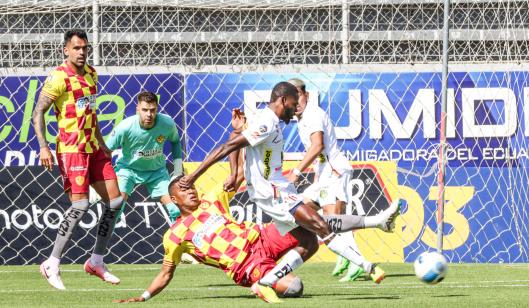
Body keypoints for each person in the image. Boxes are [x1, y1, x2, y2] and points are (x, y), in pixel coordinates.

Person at [178, 82, 399, 295]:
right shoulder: (266, 122)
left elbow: (238, 142)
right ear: (283, 100)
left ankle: (266, 282)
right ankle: (369, 266)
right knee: (320, 225)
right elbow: (228, 147)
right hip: (272, 192)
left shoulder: (268, 122)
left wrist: (237, 146)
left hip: (280, 188)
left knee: (309, 241)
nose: (294, 111)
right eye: (292, 105)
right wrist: (194, 176)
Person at [115, 174, 317, 304]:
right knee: (295, 287)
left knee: (310, 237)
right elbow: (166, 273)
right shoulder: (175, 235)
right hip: (245, 264)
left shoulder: (210, 200)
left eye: (192, 187)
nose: (191, 191)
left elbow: (236, 175)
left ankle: (271, 275)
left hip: (261, 237)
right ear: (174, 199)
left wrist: (237, 132)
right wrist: (144, 296)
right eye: (184, 190)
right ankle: (265, 281)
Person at [33, 29, 123, 290]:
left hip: (93, 147)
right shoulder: (58, 77)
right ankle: (52, 262)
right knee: (80, 206)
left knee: (115, 200)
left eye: (85, 48)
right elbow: (38, 112)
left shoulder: (92, 74)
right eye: (77, 48)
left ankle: (96, 260)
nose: (82, 52)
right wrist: (43, 147)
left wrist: (103, 143)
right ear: (66, 50)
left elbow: (90, 112)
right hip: (72, 149)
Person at [286, 78, 397, 281]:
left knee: (332, 220)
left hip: (334, 172)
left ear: (307, 95)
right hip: (323, 175)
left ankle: (356, 262)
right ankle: (348, 256)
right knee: (302, 211)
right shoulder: (302, 119)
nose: (297, 101)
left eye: (299, 95)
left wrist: (297, 171)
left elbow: (318, 146)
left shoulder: (313, 114)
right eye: (293, 96)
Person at [104, 91, 183, 223]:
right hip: (128, 170)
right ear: (137, 109)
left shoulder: (167, 123)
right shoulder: (125, 127)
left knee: (176, 209)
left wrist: (178, 171)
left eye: (152, 110)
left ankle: (179, 242)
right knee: (115, 210)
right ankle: (102, 244)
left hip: (156, 171)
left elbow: (175, 142)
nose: (149, 114)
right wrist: (102, 179)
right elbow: (105, 151)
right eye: (145, 110)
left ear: (157, 109)